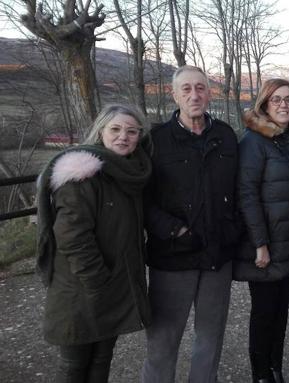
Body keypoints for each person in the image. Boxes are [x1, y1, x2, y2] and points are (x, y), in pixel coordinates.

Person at [36, 104, 152, 382]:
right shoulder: (82, 174)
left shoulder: (128, 174)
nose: (123, 136)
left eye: (131, 131)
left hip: (111, 285)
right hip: (81, 288)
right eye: (115, 129)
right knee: (75, 366)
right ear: (100, 131)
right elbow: (73, 237)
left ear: (139, 137)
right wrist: (98, 281)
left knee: (102, 359)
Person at [141, 66, 239, 383]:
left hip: (216, 257)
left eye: (200, 88)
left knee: (210, 340)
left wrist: (232, 231)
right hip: (172, 257)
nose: (194, 95)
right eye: (186, 89)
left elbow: (239, 190)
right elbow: (142, 199)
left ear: (210, 93)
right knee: (163, 342)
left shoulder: (225, 136)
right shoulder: (155, 140)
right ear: (174, 94)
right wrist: (174, 230)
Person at [234, 78, 289, 383]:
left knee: (281, 311)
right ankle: (260, 374)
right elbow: (247, 194)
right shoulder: (254, 141)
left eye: (288, 100)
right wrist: (260, 243)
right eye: (276, 100)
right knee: (264, 313)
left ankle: (275, 368)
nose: (283, 105)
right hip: (267, 245)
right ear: (264, 104)